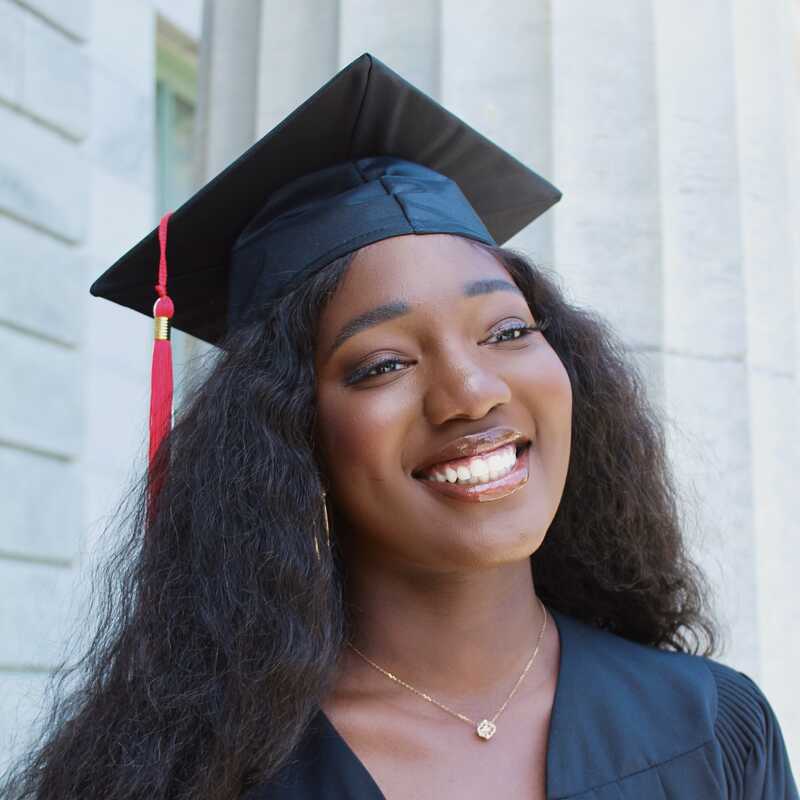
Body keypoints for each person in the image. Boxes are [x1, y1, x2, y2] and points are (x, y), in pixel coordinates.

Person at [3, 53, 796, 800]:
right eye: (383, 364)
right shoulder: (202, 777)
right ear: (285, 438)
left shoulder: (712, 730)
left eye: (508, 332)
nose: (472, 392)